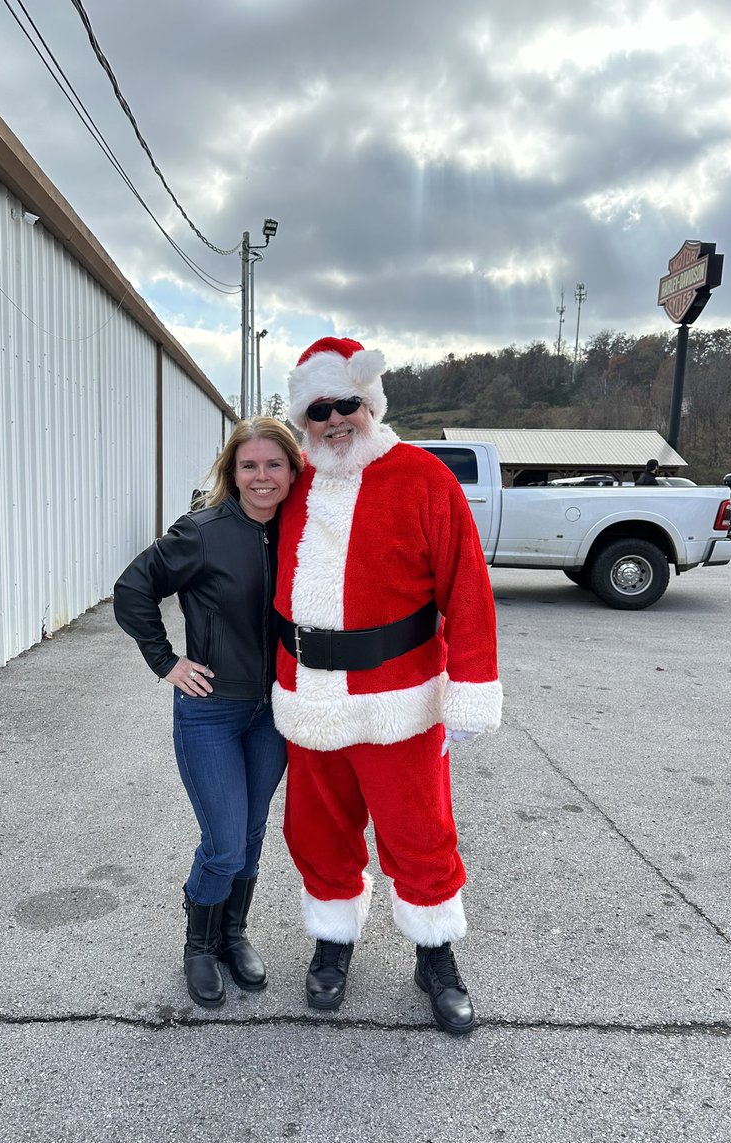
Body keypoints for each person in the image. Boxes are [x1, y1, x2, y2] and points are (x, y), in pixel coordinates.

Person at [272, 337, 502, 1037]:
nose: (335, 419)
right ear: (303, 416)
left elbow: (468, 588)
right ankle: (333, 940)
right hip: (308, 697)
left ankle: (436, 956)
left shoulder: (422, 478)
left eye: (348, 404)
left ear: (370, 404)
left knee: (420, 834)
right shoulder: (291, 484)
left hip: (400, 699)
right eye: (320, 409)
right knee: (316, 830)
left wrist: (468, 689)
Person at [113, 417, 303, 1009]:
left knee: (249, 832)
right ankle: (198, 946)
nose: (262, 477)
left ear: (293, 470)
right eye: (250, 465)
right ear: (232, 472)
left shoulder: (304, 532)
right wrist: (166, 661)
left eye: (274, 464)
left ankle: (233, 934)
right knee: (223, 840)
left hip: (274, 710)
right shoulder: (202, 532)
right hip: (212, 712)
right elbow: (133, 589)